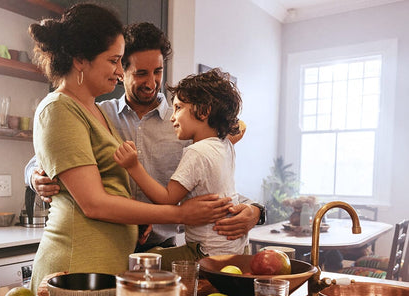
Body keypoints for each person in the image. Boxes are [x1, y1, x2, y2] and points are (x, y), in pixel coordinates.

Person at [27, 4, 232, 295]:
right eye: (114, 61)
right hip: (75, 269)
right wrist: (180, 214)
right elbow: (93, 202)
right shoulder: (59, 109)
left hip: (109, 267)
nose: (117, 72)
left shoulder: (93, 111)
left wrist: (252, 211)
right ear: (80, 60)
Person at [25, 22, 266, 254]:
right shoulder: (99, 113)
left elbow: (214, 184)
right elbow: (42, 158)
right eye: (141, 73)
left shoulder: (186, 122)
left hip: (161, 246)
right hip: (107, 241)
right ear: (122, 70)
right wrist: (36, 176)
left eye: (157, 71)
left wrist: (255, 211)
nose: (151, 83)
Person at [115, 68, 247, 270]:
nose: (172, 117)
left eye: (178, 108)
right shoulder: (225, 145)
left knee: (145, 260)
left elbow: (167, 198)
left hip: (203, 253)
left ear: (204, 111)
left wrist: (133, 167)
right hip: (235, 249)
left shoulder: (196, 152)